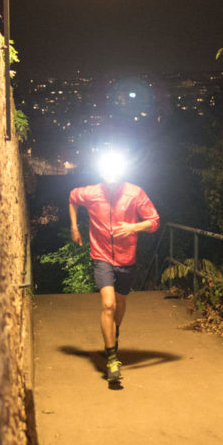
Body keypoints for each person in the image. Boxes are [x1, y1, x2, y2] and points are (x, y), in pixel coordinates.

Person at [67, 150, 159, 382]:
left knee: (120, 303)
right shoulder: (90, 193)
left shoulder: (134, 193)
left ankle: (113, 334)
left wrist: (133, 228)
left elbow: (154, 221)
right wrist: (74, 227)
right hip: (101, 256)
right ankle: (111, 358)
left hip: (127, 258)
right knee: (108, 304)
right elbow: (71, 197)